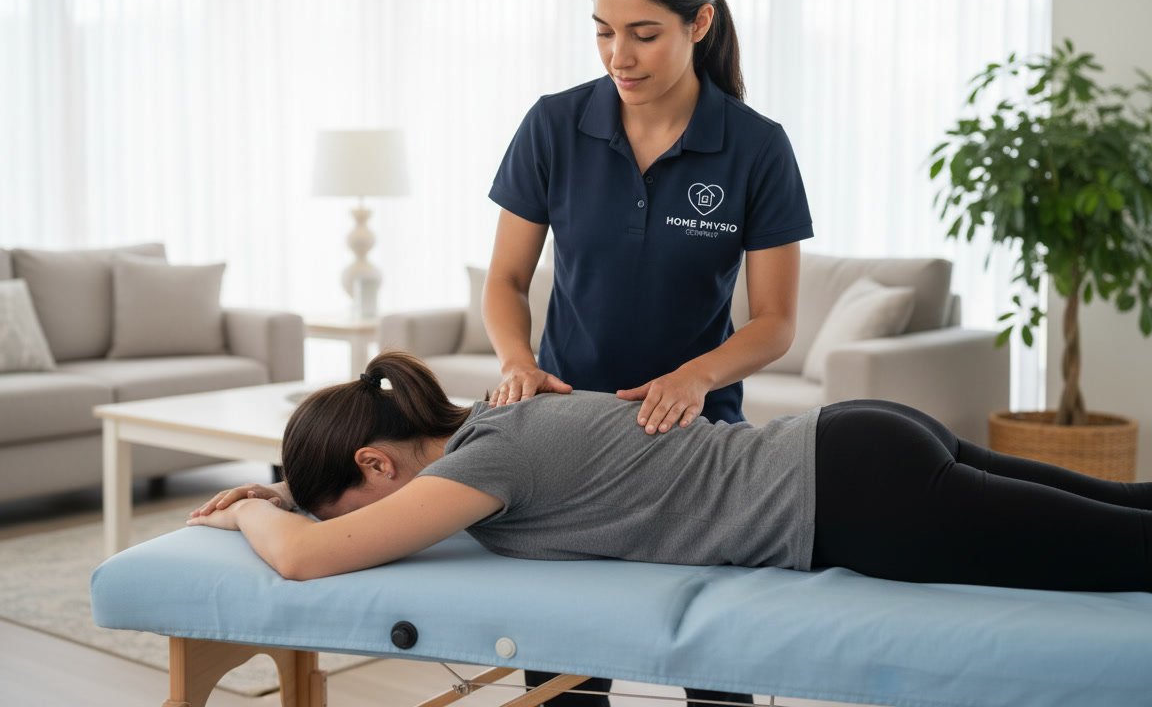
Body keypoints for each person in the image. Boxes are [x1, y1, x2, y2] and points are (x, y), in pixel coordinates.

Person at [190, 350, 1152, 600]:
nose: (365, 525)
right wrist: (286, 493)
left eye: (351, 501)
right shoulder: (503, 416)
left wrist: (247, 516)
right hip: (857, 441)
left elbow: (308, 559)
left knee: (1130, 552)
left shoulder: (488, 461)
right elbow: (326, 526)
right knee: (1124, 511)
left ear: (376, 460)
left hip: (857, 500)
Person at [482, 0, 813, 441]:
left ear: (699, 23)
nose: (619, 57)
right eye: (604, 32)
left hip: (692, 428)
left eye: (645, 35)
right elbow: (506, 280)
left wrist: (695, 378)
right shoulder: (552, 126)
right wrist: (517, 363)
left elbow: (775, 322)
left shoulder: (758, 147)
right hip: (564, 420)